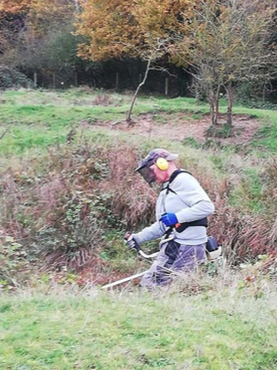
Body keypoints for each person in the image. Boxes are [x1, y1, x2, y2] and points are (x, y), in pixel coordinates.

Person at [125, 148, 215, 289]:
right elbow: (162, 226)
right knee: (161, 288)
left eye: (151, 170)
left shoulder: (182, 180)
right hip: (174, 245)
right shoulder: (166, 190)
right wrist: (137, 238)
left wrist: (178, 217)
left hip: (185, 247)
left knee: (152, 287)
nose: (150, 176)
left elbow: (206, 207)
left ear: (162, 164)